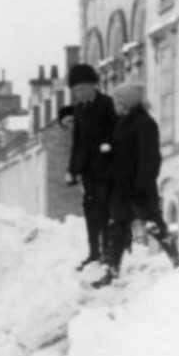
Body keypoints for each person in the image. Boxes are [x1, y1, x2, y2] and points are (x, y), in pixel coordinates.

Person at [92, 82, 179, 288]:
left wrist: (142, 184)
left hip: (138, 187)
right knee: (117, 229)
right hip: (120, 187)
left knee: (155, 225)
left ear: (127, 103)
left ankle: (177, 260)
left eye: (118, 101)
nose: (115, 105)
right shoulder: (122, 123)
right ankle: (111, 270)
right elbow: (119, 154)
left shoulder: (145, 124)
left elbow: (151, 158)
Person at [64, 63, 117, 270]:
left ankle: (107, 251)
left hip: (106, 169)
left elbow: (117, 135)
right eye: (74, 91)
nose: (77, 95)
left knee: (105, 211)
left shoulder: (108, 104)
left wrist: (107, 149)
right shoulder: (79, 110)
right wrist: (72, 170)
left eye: (80, 90)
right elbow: (77, 143)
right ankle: (93, 252)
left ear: (92, 86)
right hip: (88, 172)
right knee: (90, 211)